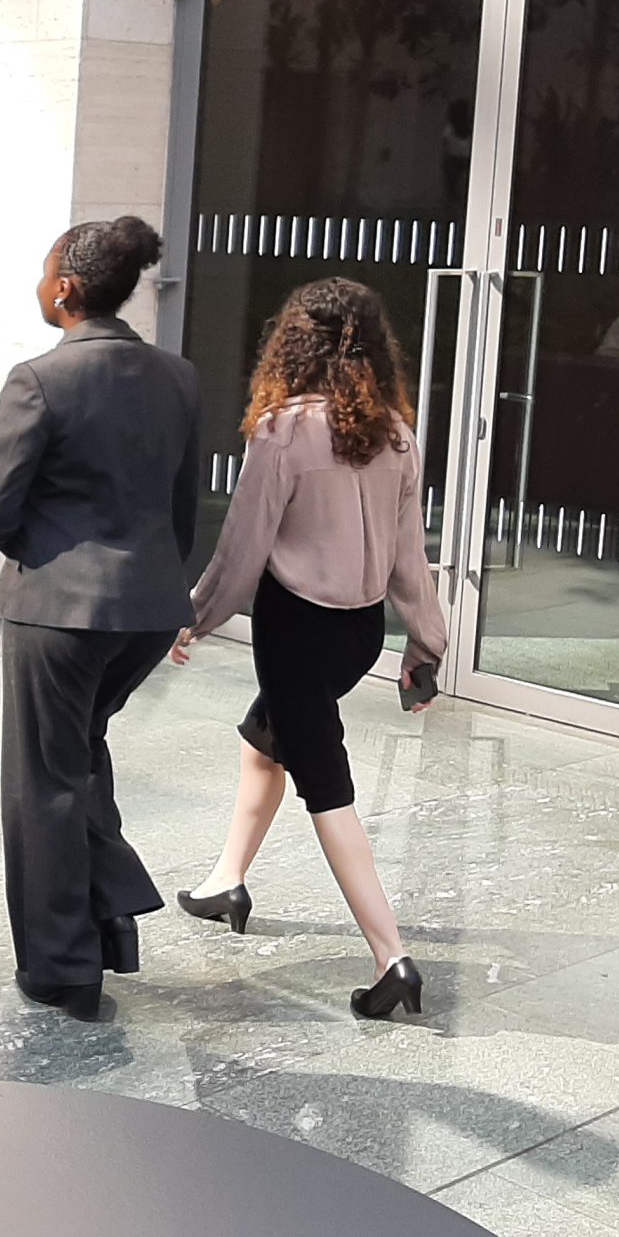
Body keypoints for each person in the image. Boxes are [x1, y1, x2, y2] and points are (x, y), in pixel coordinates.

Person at [172, 276, 445, 1021]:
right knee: (264, 740)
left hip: (295, 631)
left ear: (294, 343)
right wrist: (425, 645)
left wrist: (191, 617)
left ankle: (391, 958)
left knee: (327, 789)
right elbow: (409, 558)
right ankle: (227, 882)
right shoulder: (396, 434)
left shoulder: (283, 431)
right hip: (358, 636)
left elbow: (243, 545)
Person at [0, 216, 199, 1022]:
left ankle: (63, 971)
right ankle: (109, 924)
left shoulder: (39, 379)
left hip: (61, 612)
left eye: (44, 274)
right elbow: (181, 507)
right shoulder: (178, 376)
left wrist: (42, 559)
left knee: (45, 784)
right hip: (147, 611)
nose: (39, 286)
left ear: (65, 288)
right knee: (79, 757)